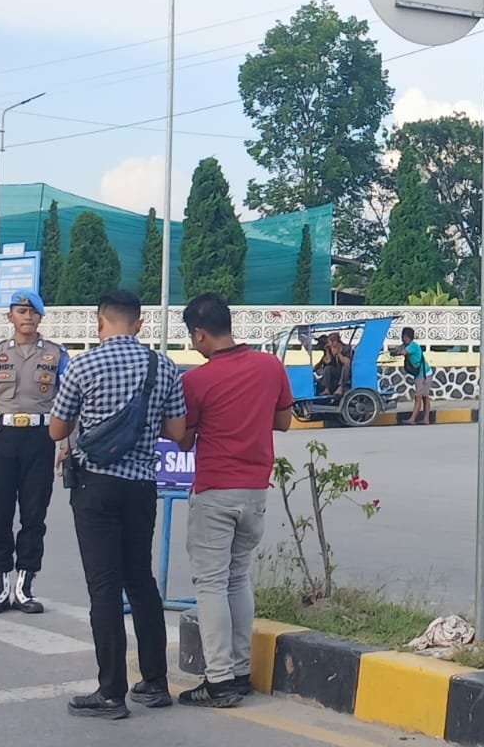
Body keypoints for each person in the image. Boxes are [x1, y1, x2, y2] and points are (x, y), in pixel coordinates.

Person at [48, 290, 187, 720]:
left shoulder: (83, 365)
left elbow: (56, 430)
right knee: (140, 581)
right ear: (140, 324)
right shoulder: (163, 366)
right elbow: (177, 431)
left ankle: (111, 693)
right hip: (141, 486)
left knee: (104, 587)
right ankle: (155, 682)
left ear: (99, 322)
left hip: (95, 485)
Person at [174, 293, 294, 709]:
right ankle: (240, 672)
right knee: (238, 578)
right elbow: (283, 421)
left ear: (200, 334)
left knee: (210, 583)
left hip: (215, 490)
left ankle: (220, 679)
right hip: (254, 489)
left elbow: (184, 438)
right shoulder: (270, 366)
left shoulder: (196, 381)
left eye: (192, 337)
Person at [0, 289, 69, 615]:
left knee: (34, 514)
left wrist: (66, 444)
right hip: (1, 439)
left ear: (40, 317)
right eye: (21, 311)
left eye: (33, 312)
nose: (27, 317)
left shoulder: (56, 355)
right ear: (10, 316)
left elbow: (70, 403)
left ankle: (25, 587)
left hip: (40, 438)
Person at [389, 326, 432, 425]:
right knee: (424, 397)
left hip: (423, 374)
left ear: (408, 337)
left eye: (404, 336)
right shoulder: (406, 345)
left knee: (419, 397)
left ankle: (413, 419)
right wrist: (394, 352)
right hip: (423, 373)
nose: (403, 338)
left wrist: (395, 353)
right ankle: (425, 419)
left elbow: (403, 352)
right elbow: (398, 350)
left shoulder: (412, 346)